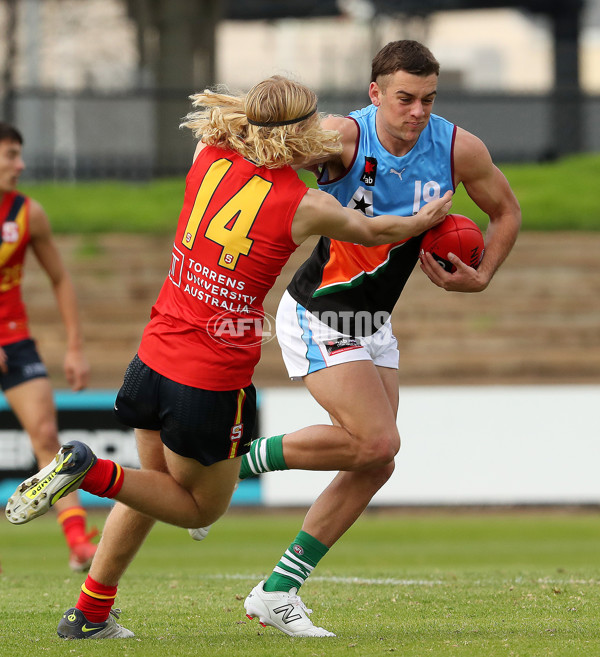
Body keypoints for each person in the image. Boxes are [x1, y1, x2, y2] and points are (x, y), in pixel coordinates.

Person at [4, 75, 452, 639]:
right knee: (197, 509)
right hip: (208, 381)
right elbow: (371, 229)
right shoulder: (304, 203)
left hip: (151, 359)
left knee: (153, 487)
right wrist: (422, 221)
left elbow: (244, 134)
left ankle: (89, 613)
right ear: (296, 132)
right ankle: (88, 470)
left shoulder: (208, 153)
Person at [231, 39, 521, 636]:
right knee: (376, 440)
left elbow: (506, 210)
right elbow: (263, 162)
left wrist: (484, 274)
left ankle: (278, 589)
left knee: (377, 460)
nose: (418, 111)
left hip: (374, 323)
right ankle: (231, 462)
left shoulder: (457, 148)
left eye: (429, 99)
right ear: (376, 94)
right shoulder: (342, 139)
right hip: (316, 313)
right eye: (405, 99)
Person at [0, 122, 96, 572]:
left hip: (15, 340)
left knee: (46, 437)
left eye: (19, 155)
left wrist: (75, 347)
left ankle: (78, 542)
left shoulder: (27, 214)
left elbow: (60, 278)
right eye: (10, 156)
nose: (19, 165)